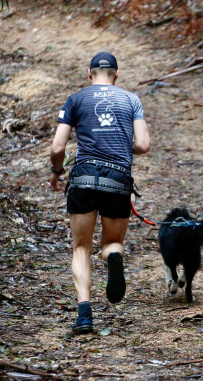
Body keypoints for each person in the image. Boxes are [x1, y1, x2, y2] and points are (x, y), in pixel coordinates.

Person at [49, 51, 150, 335]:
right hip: (117, 180)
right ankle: (114, 258)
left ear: (89, 73)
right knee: (112, 243)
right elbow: (142, 146)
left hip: (82, 177)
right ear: (116, 74)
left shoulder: (76, 99)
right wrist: (116, 144)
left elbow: (57, 148)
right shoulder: (131, 100)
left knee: (81, 248)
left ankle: (84, 315)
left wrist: (57, 172)